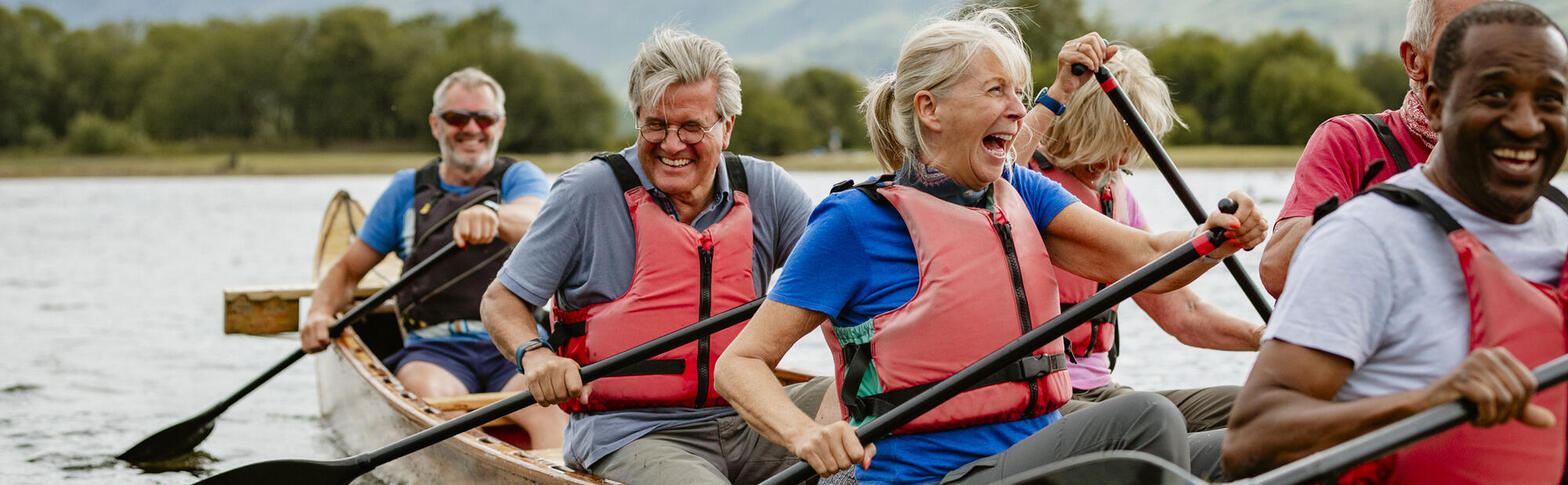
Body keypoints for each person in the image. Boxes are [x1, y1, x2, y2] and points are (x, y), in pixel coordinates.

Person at [713, 9, 1269, 484]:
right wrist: (806, 434)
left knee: (1255, 444)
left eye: (1020, 94)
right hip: (934, 475)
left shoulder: (1020, 191)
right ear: (929, 109)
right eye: (996, 91)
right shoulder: (854, 223)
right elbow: (740, 364)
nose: (1019, 111)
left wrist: (1215, 237)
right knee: (1145, 419)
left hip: (1035, 455)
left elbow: (1146, 256)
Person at [1223, 4, 1568, 483]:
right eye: (1496, 93)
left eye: (1551, 100)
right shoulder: (1364, 235)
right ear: (1437, 99)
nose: (1528, 123)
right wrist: (1424, 403)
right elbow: (1248, 445)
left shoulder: (1562, 225)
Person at [478, 29, 826, 485]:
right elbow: (500, 301)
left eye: (691, 127)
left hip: (751, 417)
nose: (671, 144)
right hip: (633, 434)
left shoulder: (768, 188)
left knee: (889, 398)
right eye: (655, 125)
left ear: (727, 126)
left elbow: (844, 274)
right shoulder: (586, 192)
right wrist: (536, 357)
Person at [1024, 45, 1264, 480]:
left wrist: (1268, 337)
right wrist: (1059, 89)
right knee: (1150, 421)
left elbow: (1184, 314)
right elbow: (994, 168)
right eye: (1109, 146)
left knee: (1257, 409)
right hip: (1046, 398)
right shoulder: (1024, 186)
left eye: (1127, 150)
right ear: (1077, 126)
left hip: (1102, 390)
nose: (1117, 163)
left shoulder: (1118, 196)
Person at [299, 68, 567, 447]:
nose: (471, 128)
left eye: (484, 118)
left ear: (499, 125)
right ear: (435, 125)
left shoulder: (520, 178)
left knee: (553, 407)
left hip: (517, 345)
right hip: (434, 352)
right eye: (457, 118)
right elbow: (345, 272)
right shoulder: (405, 190)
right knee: (434, 406)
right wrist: (318, 313)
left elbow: (537, 222)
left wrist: (494, 215)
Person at [1259, 0, 1492, 297]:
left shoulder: (1518, 160)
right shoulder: (1349, 140)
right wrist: (1425, 182)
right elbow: (1277, 272)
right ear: (1413, 60)